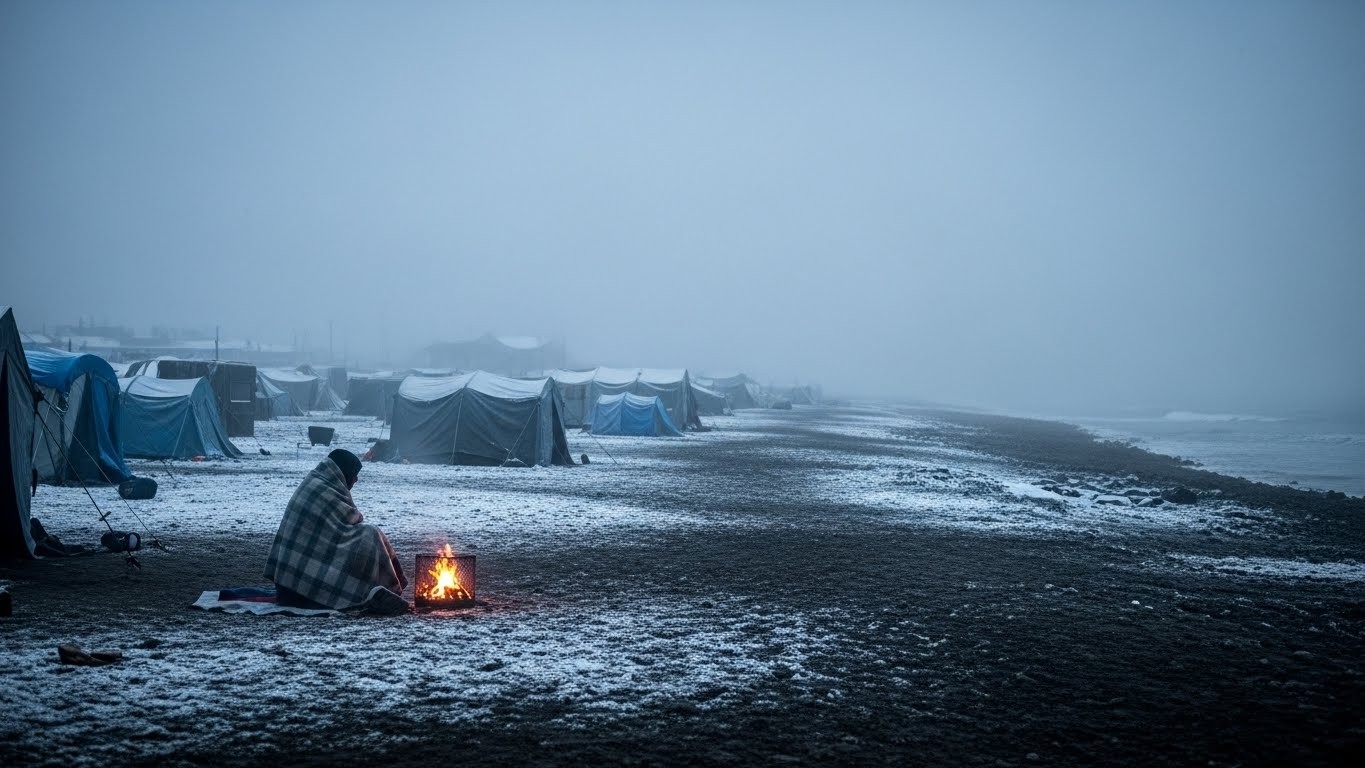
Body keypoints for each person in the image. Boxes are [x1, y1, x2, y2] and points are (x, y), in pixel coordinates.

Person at [265, 449, 408, 614]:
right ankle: (378, 590)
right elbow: (352, 520)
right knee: (369, 536)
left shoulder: (318, 483)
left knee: (368, 534)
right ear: (344, 472)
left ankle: (382, 590)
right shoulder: (321, 489)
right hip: (301, 592)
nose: (356, 480)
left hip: (288, 585)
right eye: (354, 474)